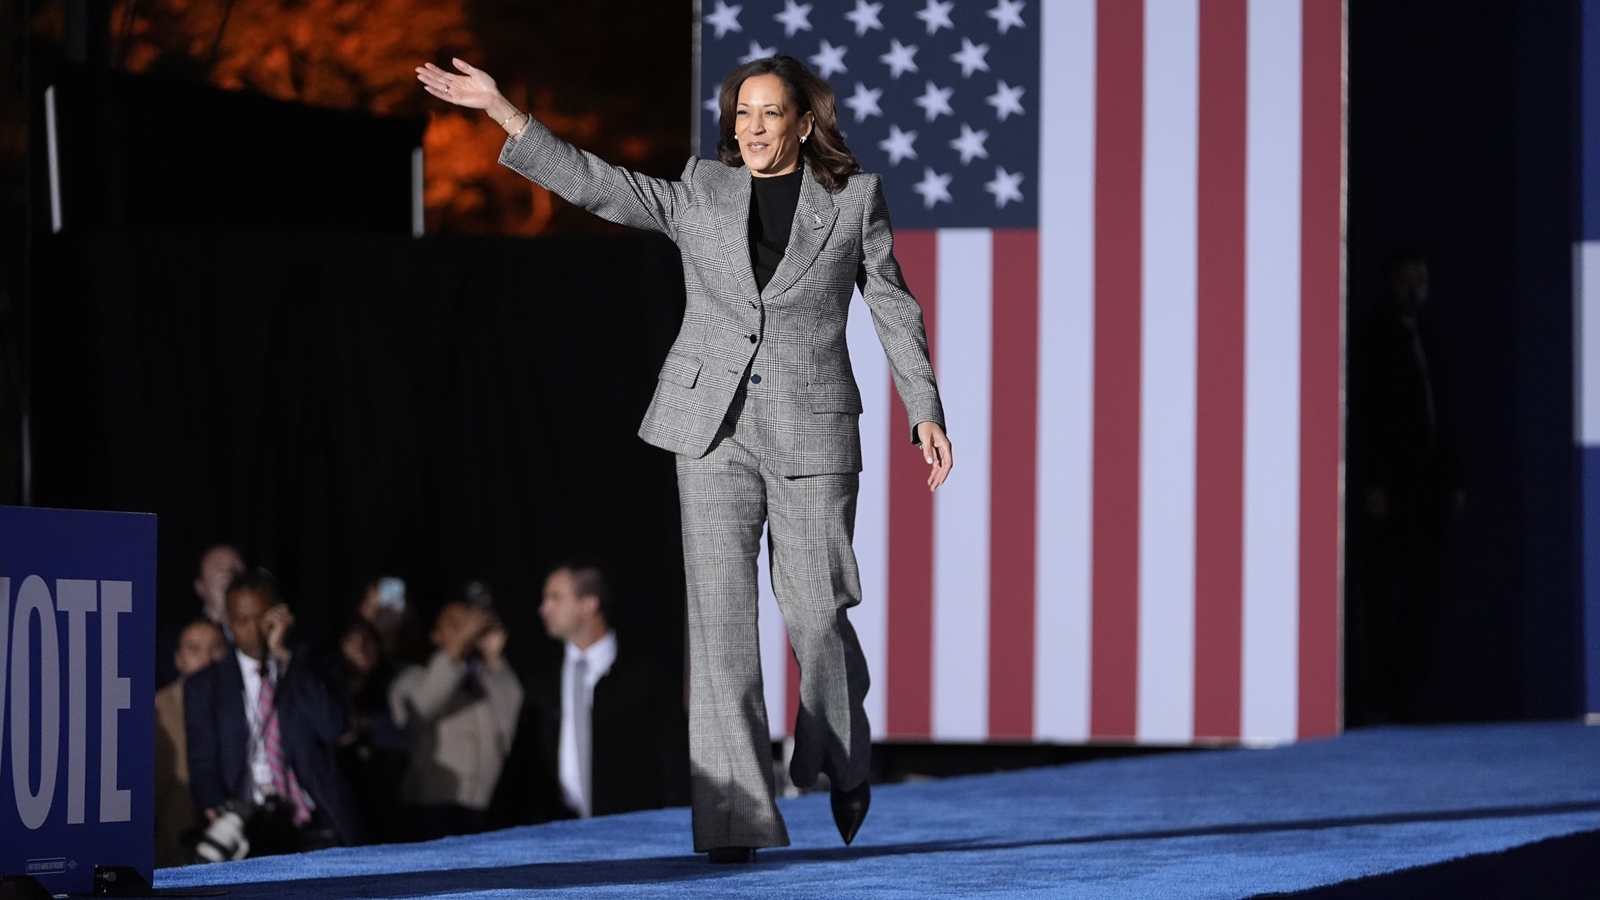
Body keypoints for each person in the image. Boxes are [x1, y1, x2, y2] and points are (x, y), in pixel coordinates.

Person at [416, 53, 953, 861]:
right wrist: (504, 113)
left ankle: (843, 751)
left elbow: (892, 304)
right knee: (723, 629)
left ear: (805, 123)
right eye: (743, 113)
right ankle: (733, 817)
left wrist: (926, 409)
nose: (754, 128)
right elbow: (604, 185)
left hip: (811, 428)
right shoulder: (704, 189)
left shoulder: (853, 201)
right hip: (709, 430)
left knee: (816, 612)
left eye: (771, 113)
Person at [1346, 253, 1463, 726]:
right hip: (1390, 490)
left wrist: (1455, 478)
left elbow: (1444, 415)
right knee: (1383, 596)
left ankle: (1407, 692)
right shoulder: (1372, 337)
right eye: (1405, 279)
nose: (1414, 287)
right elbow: (1366, 414)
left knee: (1424, 595)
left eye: (1422, 278)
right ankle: (1377, 697)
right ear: (1388, 282)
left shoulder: (1429, 338)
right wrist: (1370, 481)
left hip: (1430, 490)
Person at [185, 568, 366, 855]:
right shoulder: (205, 686)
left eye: (262, 617)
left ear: (280, 615)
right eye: (242, 621)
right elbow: (202, 761)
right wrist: (218, 811)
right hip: (247, 827)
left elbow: (335, 727)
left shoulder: (313, 663)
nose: (254, 630)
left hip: (315, 823)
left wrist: (284, 657)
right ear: (228, 623)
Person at [493, 565, 688, 825]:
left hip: (637, 835)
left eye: (556, 598)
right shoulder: (543, 687)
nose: (544, 608)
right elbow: (522, 771)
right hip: (559, 837)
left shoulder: (646, 677)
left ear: (589, 604)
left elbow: (675, 760)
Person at [389, 590, 523, 840]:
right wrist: (459, 644)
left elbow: (516, 720)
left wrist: (494, 660)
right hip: (433, 813)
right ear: (435, 635)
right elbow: (422, 707)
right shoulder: (411, 680)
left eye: (469, 622)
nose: (466, 629)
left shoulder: (486, 684)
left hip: (488, 812)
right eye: (455, 623)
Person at [154, 619, 228, 867]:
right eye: (194, 649)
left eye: (216, 647)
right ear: (178, 659)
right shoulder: (156, 711)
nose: (206, 658)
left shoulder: (247, 705)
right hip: (171, 858)